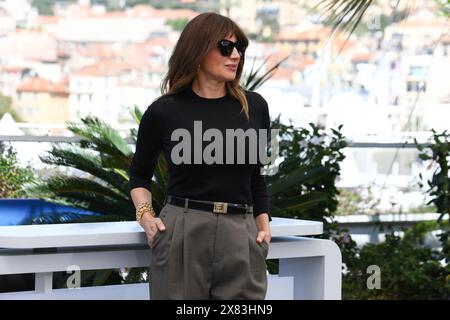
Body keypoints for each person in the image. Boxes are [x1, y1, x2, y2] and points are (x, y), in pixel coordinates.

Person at [128, 12, 272, 300]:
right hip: (182, 229)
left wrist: (263, 226)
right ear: (197, 50)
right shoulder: (163, 111)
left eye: (239, 48)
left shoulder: (255, 107)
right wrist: (145, 215)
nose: (235, 56)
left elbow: (256, 175)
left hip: (240, 231)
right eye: (225, 47)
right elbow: (139, 176)